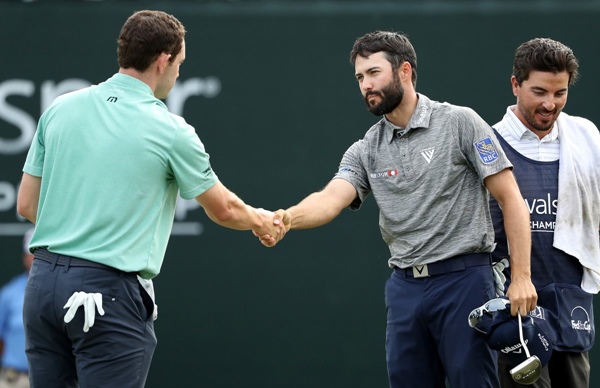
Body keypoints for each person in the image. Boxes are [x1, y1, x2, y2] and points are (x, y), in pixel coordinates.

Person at [16, 10, 284, 388]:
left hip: (42, 287)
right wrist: (261, 221)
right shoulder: (171, 129)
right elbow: (224, 208)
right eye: (180, 64)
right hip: (105, 293)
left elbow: (27, 205)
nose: (178, 74)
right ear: (164, 61)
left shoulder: (60, 108)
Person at [260, 30, 537, 388]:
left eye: (374, 73)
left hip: (465, 282)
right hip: (405, 288)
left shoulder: (459, 122)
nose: (365, 85)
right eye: (360, 77)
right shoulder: (365, 148)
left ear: (404, 70)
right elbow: (331, 199)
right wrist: (287, 218)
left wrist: (522, 277)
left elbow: (510, 198)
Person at [489, 37, 600, 388]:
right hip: (512, 309)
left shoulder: (586, 139)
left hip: (572, 302)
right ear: (515, 84)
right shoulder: (487, 145)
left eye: (560, 93)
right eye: (539, 92)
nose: (550, 104)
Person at [0, 229, 34, 388]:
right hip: (14, 379)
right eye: (31, 253)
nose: (35, 259)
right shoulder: (9, 293)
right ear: (24, 258)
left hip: (51, 379)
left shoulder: (61, 291)